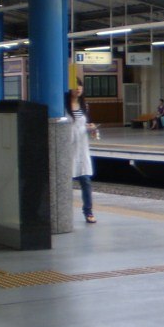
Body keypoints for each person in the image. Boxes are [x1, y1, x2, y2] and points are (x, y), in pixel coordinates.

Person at [65, 81, 98, 223]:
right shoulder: (63, 106)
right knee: (65, 181)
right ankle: (63, 212)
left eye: (80, 86)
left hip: (82, 148)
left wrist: (91, 128)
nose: (78, 89)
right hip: (68, 148)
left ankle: (88, 211)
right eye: (75, 86)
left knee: (86, 180)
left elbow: (83, 124)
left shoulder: (85, 106)